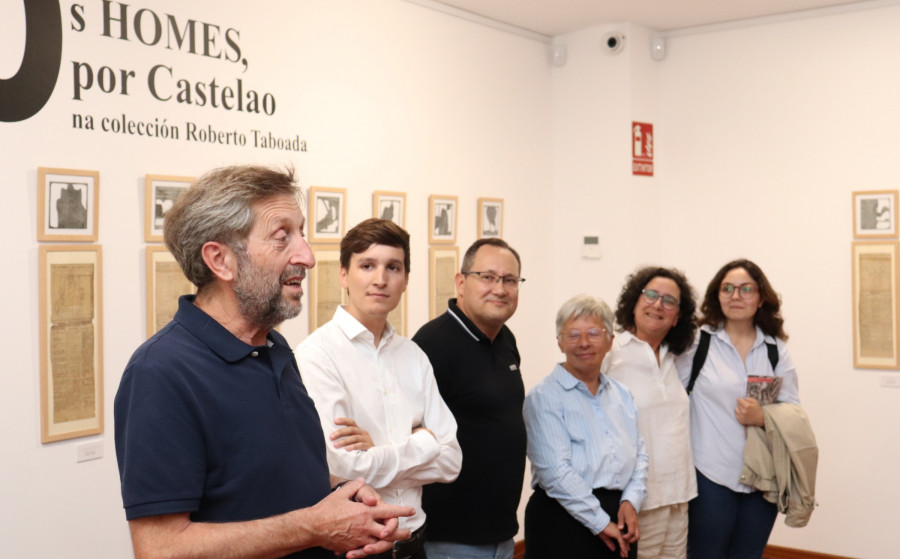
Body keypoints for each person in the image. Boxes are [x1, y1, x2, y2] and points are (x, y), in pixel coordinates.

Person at [114, 165, 413, 559]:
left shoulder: (275, 348)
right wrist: (313, 527)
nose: (306, 256)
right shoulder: (161, 372)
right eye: (281, 237)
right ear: (220, 260)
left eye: (302, 233)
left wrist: (344, 492)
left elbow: (264, 475)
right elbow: (160, 550)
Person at [296, 218, 463, 559]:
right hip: (359, 549)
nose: (380, 279)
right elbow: (342, 467)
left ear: (405, 281)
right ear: (344, 275)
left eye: (393, 267)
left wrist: (378, 448)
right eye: (367, 265)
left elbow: (452, 461)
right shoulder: (317, 355)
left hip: (417, 544)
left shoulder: (413, 356)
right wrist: (424, 441)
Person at [677, 259, 800, 559]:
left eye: (746, 289)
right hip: (710, 474)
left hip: (762, 476)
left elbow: (793, 408)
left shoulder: (774, 349)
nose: (736, 296)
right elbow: (671, 396)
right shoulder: (698, 342)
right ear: (717, 296)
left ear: (760, 299)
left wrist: (763, 416)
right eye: (727, 289)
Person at [412, 238, 526, 559]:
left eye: (509, 280)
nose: (500, 289)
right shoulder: (433, 346)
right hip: (451, 539)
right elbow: (413, 436)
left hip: (501, 535)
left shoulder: (506, 339)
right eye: (487, 277)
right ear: (461, 283)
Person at [524, 294, 648, 559]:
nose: (583, 343)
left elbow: (640, 455)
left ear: (610, 341)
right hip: (562, 519)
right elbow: (556, 473)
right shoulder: (543, 397)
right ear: (559, 342)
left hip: (621, 517)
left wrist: (631, 500)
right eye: (573, 335)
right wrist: (600, 522)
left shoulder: (622, 395)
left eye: (593, 333)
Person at [604, 267, 698, 559]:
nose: (658, 305)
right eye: (651, 295)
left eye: (669, 301)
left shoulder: (676, 358)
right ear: (634, 301)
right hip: (636, 501)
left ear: (677, 317)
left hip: (679, 496)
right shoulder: (611, 352)